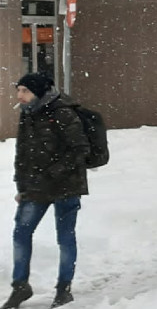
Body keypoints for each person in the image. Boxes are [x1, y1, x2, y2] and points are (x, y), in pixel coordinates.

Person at [5, 74, 89, 309]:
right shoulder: (28, 113)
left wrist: (53, 173)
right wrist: (21, 186)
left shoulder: (62, 112)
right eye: (18, 90)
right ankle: (20, 286)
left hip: (66, 186)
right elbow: (22, 154)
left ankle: (64, 289)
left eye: (24, 91)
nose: (19, 96)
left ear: (38, 92)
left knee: (65, 237)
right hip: (35, 187)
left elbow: (80, 149)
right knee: (21, 233)